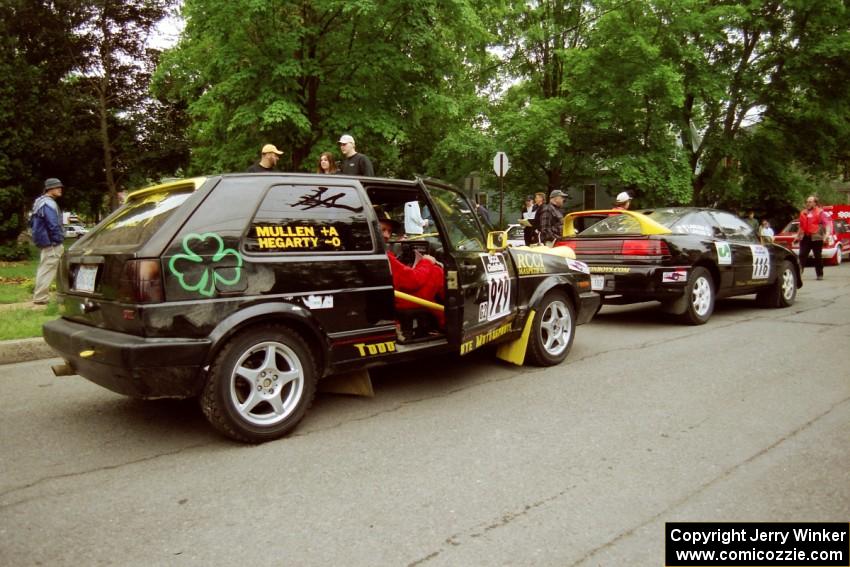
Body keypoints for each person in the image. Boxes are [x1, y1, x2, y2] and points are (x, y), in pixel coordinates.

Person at [379, 215, 444, 326]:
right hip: (397, 301)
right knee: (436, 272)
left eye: (389, 231)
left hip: (387, 299)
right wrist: (426, 261)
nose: (387, 235)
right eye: (382, 230)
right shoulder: (384, 257)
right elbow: (413, 281)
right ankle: (449, 323)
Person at [31, 178, 65, 305]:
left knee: (55, 269)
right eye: (57, 187)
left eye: (60, 187)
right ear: (49, 189)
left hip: (46, 242)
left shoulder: (40, 202)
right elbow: (53, 225)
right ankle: (40, 298)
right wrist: (57, 240)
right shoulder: (48, 204)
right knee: (47, 270)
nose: (60, 189)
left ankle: (63, 295)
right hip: (52, 243)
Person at [794, 195, 832, 280]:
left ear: (815, 203)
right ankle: (799, 274)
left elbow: (827, 224)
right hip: (805, 237)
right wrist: (797, 236)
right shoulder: (803, 212)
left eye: (810, 202)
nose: (808, 203)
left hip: (816, 237)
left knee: (817, 256)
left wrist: (827, 234)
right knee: (802, 255)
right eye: (807, 202)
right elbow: (801, 226)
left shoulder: (820, 212)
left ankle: (819, 274)